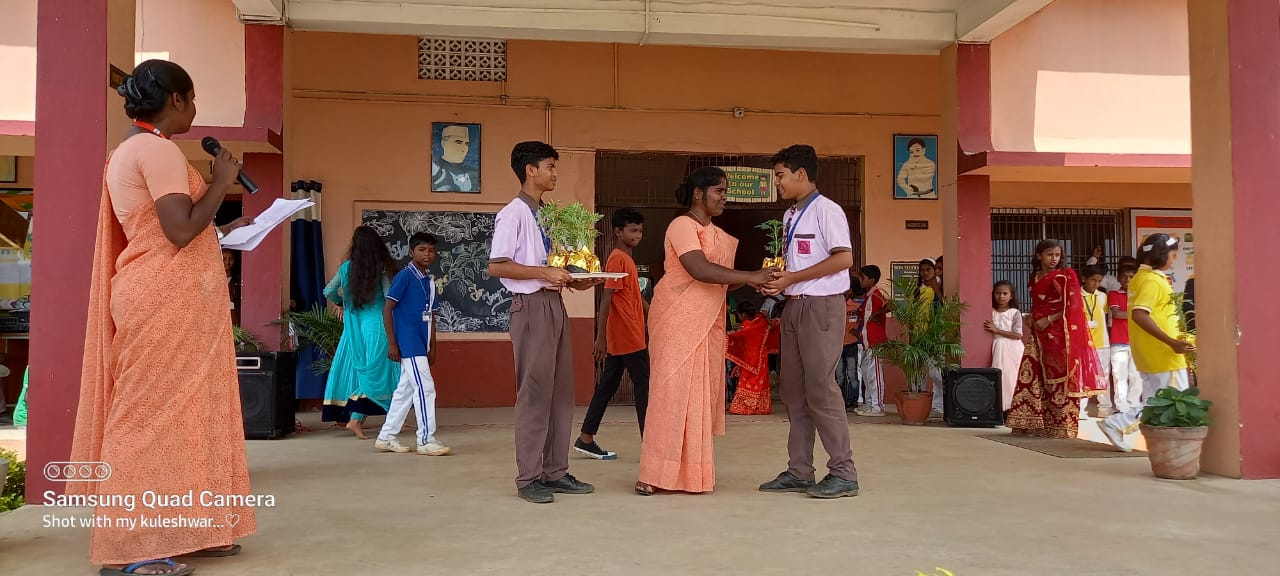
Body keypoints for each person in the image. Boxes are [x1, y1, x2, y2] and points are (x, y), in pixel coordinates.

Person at [70, 59, 256, 576]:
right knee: (147, 419)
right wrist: (221, 182)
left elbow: (165, 230)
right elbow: (177, 231)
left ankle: (192, 527)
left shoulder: (133, 150)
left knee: (194, 413)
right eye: (192, 99)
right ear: (176, 99)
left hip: (169, 297)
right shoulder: (158, 150)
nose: (194, 109)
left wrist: (221, 230)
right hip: (164, 300)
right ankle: (130, 547)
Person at [635, 167, 776, 496]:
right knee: (669, 397)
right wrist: (751, 276)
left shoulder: (719, 235)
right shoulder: (682, 226)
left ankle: (692, 475)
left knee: (696, 399)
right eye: (719, 191)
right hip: (676, 319)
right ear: (698, 193)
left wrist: (761, 277)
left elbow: (724, 278)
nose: (725, 197)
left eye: (726, 191)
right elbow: (699, 269)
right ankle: (653, 474)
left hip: (707, 321)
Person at [489, 141, 602, 504]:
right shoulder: (513, 213)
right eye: (550, 166)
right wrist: (545, 273)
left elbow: (553, 266)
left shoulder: (546, 214)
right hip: (531, 306)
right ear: (530, 170)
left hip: (553, 302)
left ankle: (555, 471)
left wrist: (577, 279)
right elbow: (497, 265)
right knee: (535, 392)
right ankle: (528, 477)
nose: (555, 174)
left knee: (561, 392)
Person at [757, 144, 860, 499]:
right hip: (794, 306)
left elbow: (844, 259)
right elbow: (798, 264)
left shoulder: (826, 210)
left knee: (820, 387)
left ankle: (843, 472)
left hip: (821, 306)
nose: (777, 183)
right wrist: (778, 280)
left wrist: (794, 278)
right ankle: (800, 470)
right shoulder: (790, 214)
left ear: (801, 174)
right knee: (793, 391)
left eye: (780, 176)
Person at [1097, 234, 1194, 451]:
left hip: (1151, 351)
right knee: (1170, 401)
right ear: (1160, 254)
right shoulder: (1151, 281)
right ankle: (1119, 423)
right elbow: (1140, 315)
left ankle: (1128, 427)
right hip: (1163, 353)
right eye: (1172, 255)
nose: (1173, 260)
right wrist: (1171, 342)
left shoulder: (1142, 278)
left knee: (1156, 400)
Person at [1006, 239, 1107, 438]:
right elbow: (1039, 305)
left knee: (1060, 380)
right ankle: (1032, 423)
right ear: (1039, 256)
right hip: (1038, 335)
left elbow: (1073, 306)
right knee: (1032, 375)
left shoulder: (1065, 276)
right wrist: (1031, 317)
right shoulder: (1035, 277)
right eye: (1049, 254)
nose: (1054, 259)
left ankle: (1061, 426)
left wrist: (1049, 320)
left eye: (1057, 255)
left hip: (1061, 337)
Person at [576, 207, 650, 460]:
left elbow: (636, 297)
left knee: (607, 386)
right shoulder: (618, 258)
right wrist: (600, 337)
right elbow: (607, 297)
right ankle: (651, 444)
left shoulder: (626, 259)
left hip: (625, 336)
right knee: (644, 387)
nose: (637, 235)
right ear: (618, 231)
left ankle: (586, 437)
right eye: (632, 230)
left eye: (640, 231)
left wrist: (657, 314)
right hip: (628, 336)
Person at [321, 225, 401, 439]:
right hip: (378, 325)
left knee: (365, 371)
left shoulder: (346, 267)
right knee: (378, 372)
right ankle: (356, 418)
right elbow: (389, 297)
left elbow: (329, 291)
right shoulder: (382, 267)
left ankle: (388, 419)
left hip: (354, 325)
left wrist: (342, 304)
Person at [378, 232, 450, 456]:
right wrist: (392, 343)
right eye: (422, 249)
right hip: (408, 343)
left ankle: (386, 436)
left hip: (421, 343)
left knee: (405, 390)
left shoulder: (429, 282)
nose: (427, 254)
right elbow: (387, 309)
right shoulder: (405, 277)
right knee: (425, 388)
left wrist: (433, 346)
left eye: (431, 250)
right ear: (411, 252)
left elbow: (431, 317)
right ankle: (426, 439)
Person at [727, 300, 780, 416]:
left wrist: (728, 335)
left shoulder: (746, 325)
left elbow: (736, 337)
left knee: (746, 381)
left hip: (748, 358)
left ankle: (744, 406)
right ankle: (759, 407)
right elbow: (773, 326)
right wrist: (767, 318)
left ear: (742, 314)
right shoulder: (761, 322)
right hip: (761, 358)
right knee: (760, 382)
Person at [854, 265, 891, 418]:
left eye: (863, 278)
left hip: (875, 342)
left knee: (874, 375)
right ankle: (869, 403)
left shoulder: (876, 294)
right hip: (867, 342)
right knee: (867, 375)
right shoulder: (868, 296)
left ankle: (878, 406)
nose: (861, 280)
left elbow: (890, 305)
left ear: (872, 280)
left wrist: (877, 314)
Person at [985, 280, 1025, 413]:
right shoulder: (990, 311)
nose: (1001, 296)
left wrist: (997, 330)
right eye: (998, 293)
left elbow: (1018, 335)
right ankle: (1000, 407)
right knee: (1000, 376)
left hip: (1012, 349)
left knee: (1012, 377)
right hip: (998, 348)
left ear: (1011, 296)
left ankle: (1013, 407)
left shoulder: (1014, 312)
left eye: (1005, 293)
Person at [1107, 264, 1142, 414]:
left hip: (1137, 341)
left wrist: (1130, 314)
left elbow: (1123, 314)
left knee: (1136, 376)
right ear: (1118, 279)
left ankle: (1133, 406)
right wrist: (1137, 315)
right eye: (1124, 277)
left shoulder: (1140, 295)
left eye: (1131, 277)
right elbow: (1117, 314)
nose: (1128, 280)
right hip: (1118, 342)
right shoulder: (1113, 294)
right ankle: (1122, 408)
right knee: (1119, 376)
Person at [1080, 266, 1114, 418]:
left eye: (1099, 281)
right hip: (1083, 342)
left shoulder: (1103, 296)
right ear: (1084, 279)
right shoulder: (1077, 296)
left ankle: (1104, 407)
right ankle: (1080, 409)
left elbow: (1104, 315)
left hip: (1102, 342)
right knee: (1082, 375)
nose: (1096, 284)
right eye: (1093, 280)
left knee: (1103, 375)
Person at [914, 258, 945, 416]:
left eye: (928, 269)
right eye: (922, 270)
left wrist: (936, 288)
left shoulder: (940, 286)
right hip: (920, 334)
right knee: (920, 371)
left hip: (935, 334)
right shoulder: (919, 290)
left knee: (935, 371)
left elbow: (945, 306)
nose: (925, 273)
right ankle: (924, 405)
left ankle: (942, 402)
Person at [837, 281, 867, 410]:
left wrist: (858, 333)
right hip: (837, 345)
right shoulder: (834, 307)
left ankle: (853, 401)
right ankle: (840, 402)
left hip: (851, 344)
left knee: (852, 374)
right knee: (839, 376)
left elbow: (864, 321)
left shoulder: (856, 307)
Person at [432, 124, 480, 192]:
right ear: (443, 143)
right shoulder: (434, 170)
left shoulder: (474, 173)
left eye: (467, 144)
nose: (464, 149)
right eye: (458, 143)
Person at [222, 248, 241, 325]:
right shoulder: (214, 279)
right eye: (224, 259)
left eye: (231, 259)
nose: (227, 262)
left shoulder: (239, 280)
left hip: (233, 317)